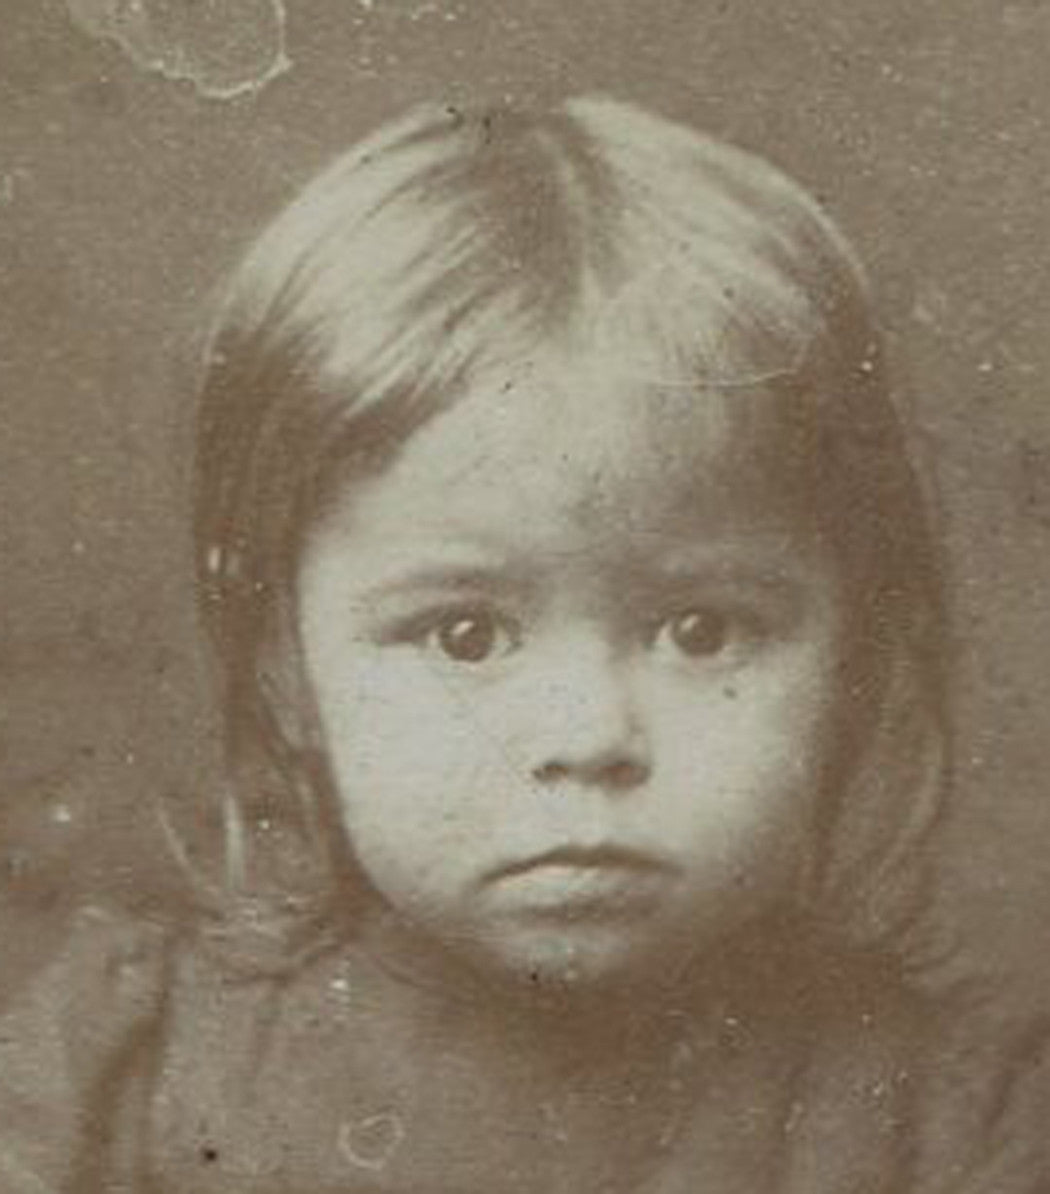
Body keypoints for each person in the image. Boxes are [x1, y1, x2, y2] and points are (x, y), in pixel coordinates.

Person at [0, 96, 1044, 1193]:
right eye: (465, 634)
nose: (587, 733)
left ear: (856, 661)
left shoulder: (959, 1120)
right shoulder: (118, 1073)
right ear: (284, 665)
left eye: (702, 630)